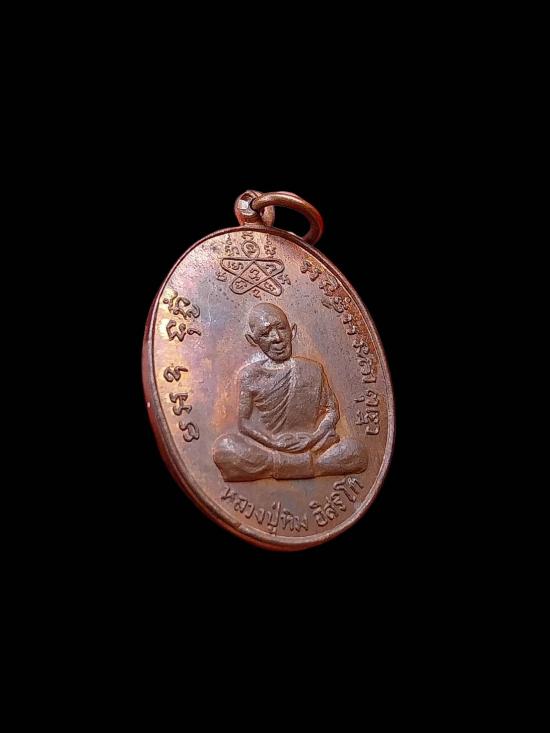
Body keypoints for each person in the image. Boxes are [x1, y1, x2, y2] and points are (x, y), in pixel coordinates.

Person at [213, 303, 367, 481]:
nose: (276, 338)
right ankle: (312, 466)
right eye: (265, 333)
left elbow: (332, 411)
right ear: (253, 340)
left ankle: (281, 466)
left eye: (281, 328)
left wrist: (313, 437)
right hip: (269, 448)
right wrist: (273, 442)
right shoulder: (250, 375)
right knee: (225, 448)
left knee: (356, 451)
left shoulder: (313, 370)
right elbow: (244, 422)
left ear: (292, 331)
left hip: (312, 444)